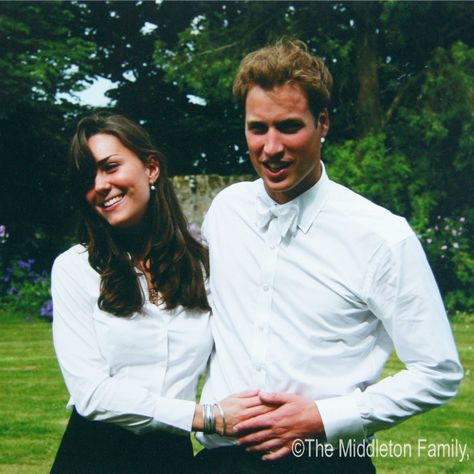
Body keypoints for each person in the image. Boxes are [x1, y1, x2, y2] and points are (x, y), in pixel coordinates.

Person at [195, 40, 463, 473]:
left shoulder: (380, 236)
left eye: (289, 126)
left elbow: (438, 371)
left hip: (324, 461)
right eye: (257, 128)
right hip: (219, 460)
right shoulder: (227, 211)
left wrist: (323, 418)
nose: (271, 147)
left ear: (323, 123)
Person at [50, 113, 270, 473]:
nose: (100, 185)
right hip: (92, 456)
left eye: (110, 167)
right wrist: (206, 417)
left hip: (172, 460)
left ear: (151, 168)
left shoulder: (204, 268)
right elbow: (90, 394)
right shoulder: (76, 268)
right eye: (88, 177)